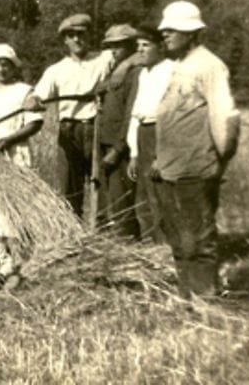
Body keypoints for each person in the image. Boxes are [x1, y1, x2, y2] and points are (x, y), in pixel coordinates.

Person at [152, 1, 240, 298]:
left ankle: (205, 300)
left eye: (172, 29)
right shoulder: (180, 66)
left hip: (195, 167)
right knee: (178, 237)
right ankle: (187, 296)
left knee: (198, 238)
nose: (164, 34)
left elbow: (225, 117)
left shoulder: (210, 66)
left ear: (191, 33)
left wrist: (218, 162)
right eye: (164, 29)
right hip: (170, 167)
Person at [27, 14, 114, 217]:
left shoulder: (104, 59)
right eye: (71, 35)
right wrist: (33, 101)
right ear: (65, 40)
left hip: (98, 128)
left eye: (81, 34)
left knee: (102, 183)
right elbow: (38, 95)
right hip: (70, 130)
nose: (77, 39)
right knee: (68, 187)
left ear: (89, 36)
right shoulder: (55, 70)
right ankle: (73, 233)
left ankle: (102, 233)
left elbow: (132, 53)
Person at [125, 26, 174, 242]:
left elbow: (173, 115)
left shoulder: (171, 70)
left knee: (163, 198)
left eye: (146, 45)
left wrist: (161, 154)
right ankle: (154, 248)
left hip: (161, 134)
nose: (140, 50)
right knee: (145, 199)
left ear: (160, 47)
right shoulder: (143, 74)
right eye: (138, 46)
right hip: (143, 135)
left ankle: (169, 250)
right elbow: (137, 114)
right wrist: (134, 153)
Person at [95, 24, 142, 237]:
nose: (113, 51)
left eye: (119, 46)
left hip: (120, 147)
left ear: (131, 46)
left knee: (123, 199)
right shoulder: (115, 69)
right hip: (106, 143)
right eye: (110, 46)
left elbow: (131, 113)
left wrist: (118, 148)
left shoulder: (135, 72)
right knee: (111, 198)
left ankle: (127, 243)